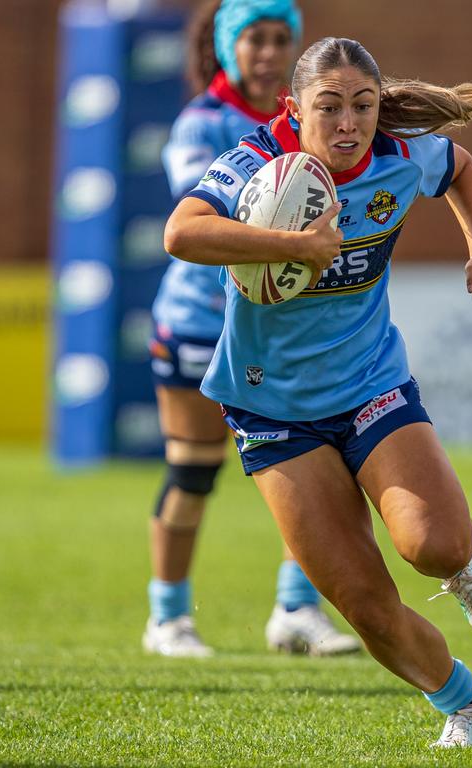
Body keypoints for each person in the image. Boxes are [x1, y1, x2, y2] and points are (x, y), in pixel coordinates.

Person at [164, 36, 472, 747]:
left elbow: (461, 165)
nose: (349, 124)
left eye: (363, 105)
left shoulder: (399, 154)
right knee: (363, 603)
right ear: (294, 109)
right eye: (330, 108)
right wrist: (293, 246)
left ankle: (464, 569)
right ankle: (465, 704)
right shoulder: (256, 163)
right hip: (272, 411)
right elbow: (181, 233)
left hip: (370, 387)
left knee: (435, 544)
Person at [145, 0, 359, 659]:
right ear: (226, 46)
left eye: (280, 40)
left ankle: (297, 608)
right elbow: (198, 218)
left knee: (321, 472)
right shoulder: (203, 123)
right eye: (255, 40)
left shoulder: (309, 121)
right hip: (199, 324)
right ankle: (169, 619)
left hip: (279, 330)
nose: (267, 53)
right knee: (194, 471)